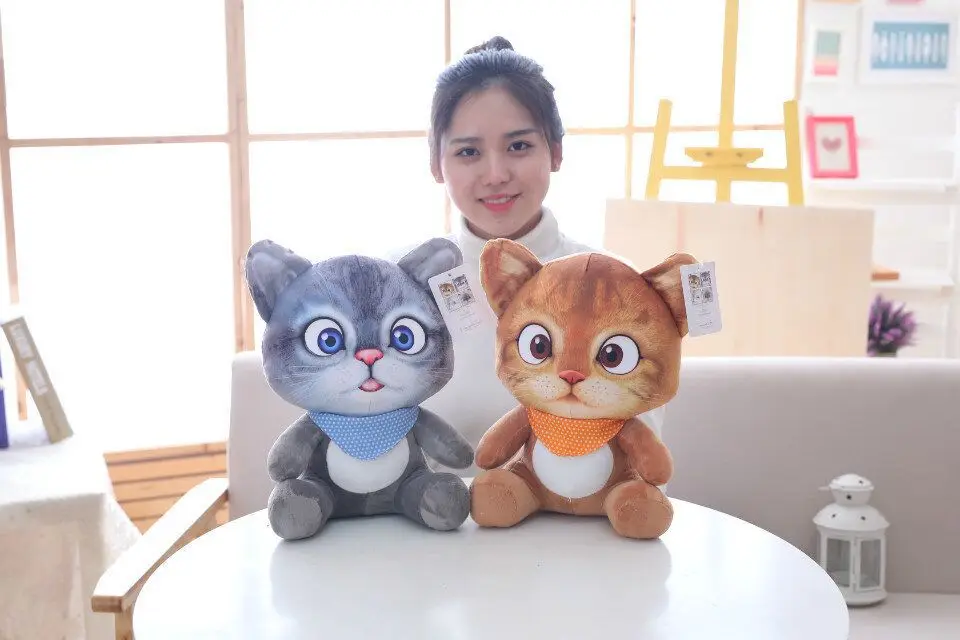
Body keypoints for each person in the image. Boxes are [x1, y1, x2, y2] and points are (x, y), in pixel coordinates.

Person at [389, 36, 667, 471]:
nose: (496, 174)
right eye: (468, 152)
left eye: (518, 146)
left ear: (555, 151)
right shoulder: (393, 283)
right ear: (435, 163)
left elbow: (641, 461)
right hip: (423, 511)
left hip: (572, 513)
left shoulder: (618, 286)